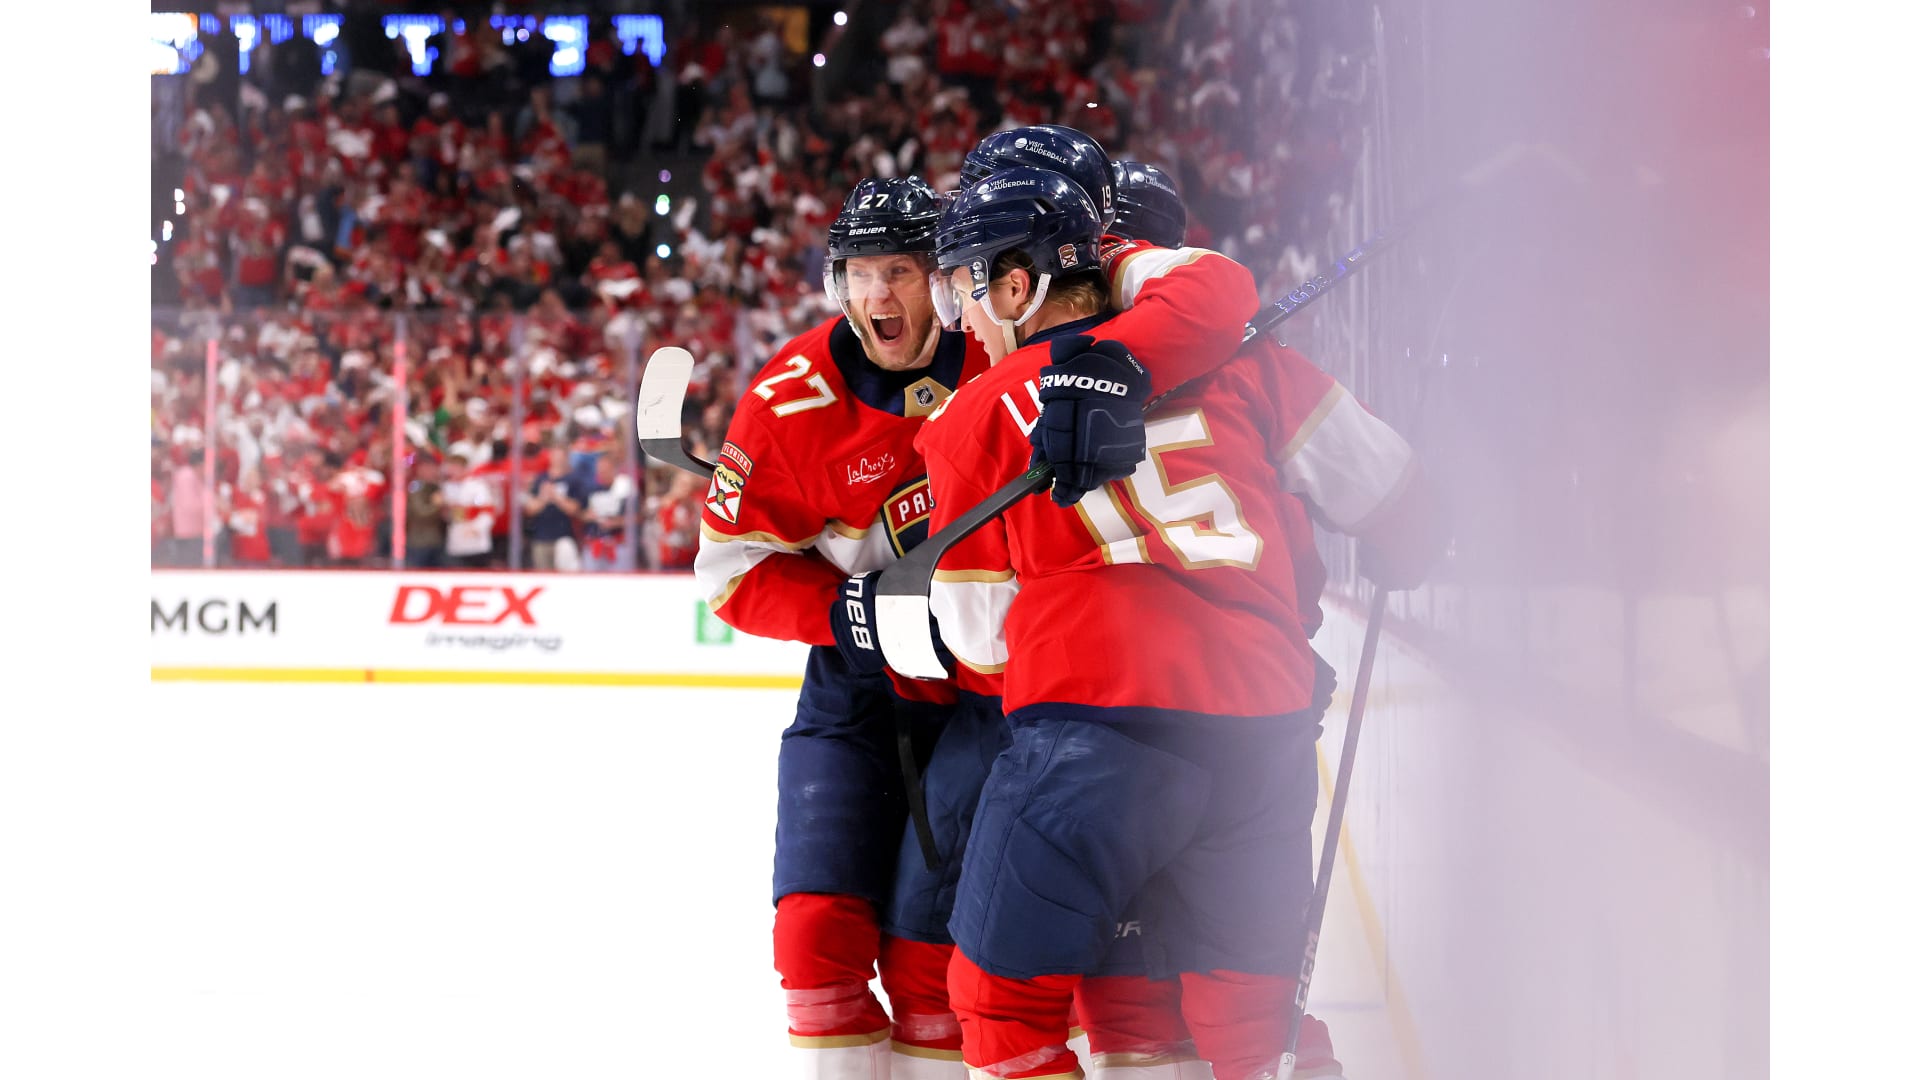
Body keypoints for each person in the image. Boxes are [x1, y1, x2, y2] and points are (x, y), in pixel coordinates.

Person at [907, 167, 1438, 1080]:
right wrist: (1404, 544)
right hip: (1263, 730)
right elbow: (1393, 492)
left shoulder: (971, 420)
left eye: (964, 295)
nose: (963, 325)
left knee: (1001, 1011)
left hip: (1088, 732)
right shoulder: (1246, 359)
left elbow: (979, 638)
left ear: (1016, 287)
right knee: (1254, 1021)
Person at [691, 176, 995, 1080]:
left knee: (928, 960)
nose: (876, 295)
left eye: (898, 271)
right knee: (814, 937)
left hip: (987, 686)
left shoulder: (1003, 352)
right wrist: (846, 611)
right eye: (860, 274)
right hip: (857, 684)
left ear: (942, 278)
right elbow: (730, 573)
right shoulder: (788, 401)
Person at [524, 444, 583, 571]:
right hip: (541, 538)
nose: (557, 459)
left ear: (566, 457)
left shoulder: (573, 479)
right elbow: (530, 509)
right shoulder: (541, 479)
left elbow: (575, 509)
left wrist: (556, 497)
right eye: (555, 455)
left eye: (560, 456)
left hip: (564, 537)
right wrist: (544, 498)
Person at [441, 453, 498, 569]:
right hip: (456, 542)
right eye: (450, 467)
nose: (452, 471)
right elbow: (449, 515)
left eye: (455, 467)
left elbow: (488, 511)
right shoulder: (446, 487)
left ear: (464, 468)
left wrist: (477, 528)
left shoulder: (477, 486)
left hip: (476, 543)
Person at [405, 455, 447, 569]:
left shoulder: (435, 486)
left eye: (434, 468)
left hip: (436, 541)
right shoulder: (416, 487)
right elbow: (421, 512)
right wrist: (436, 504)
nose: (433, 471)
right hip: (420, 542)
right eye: (429, 468)